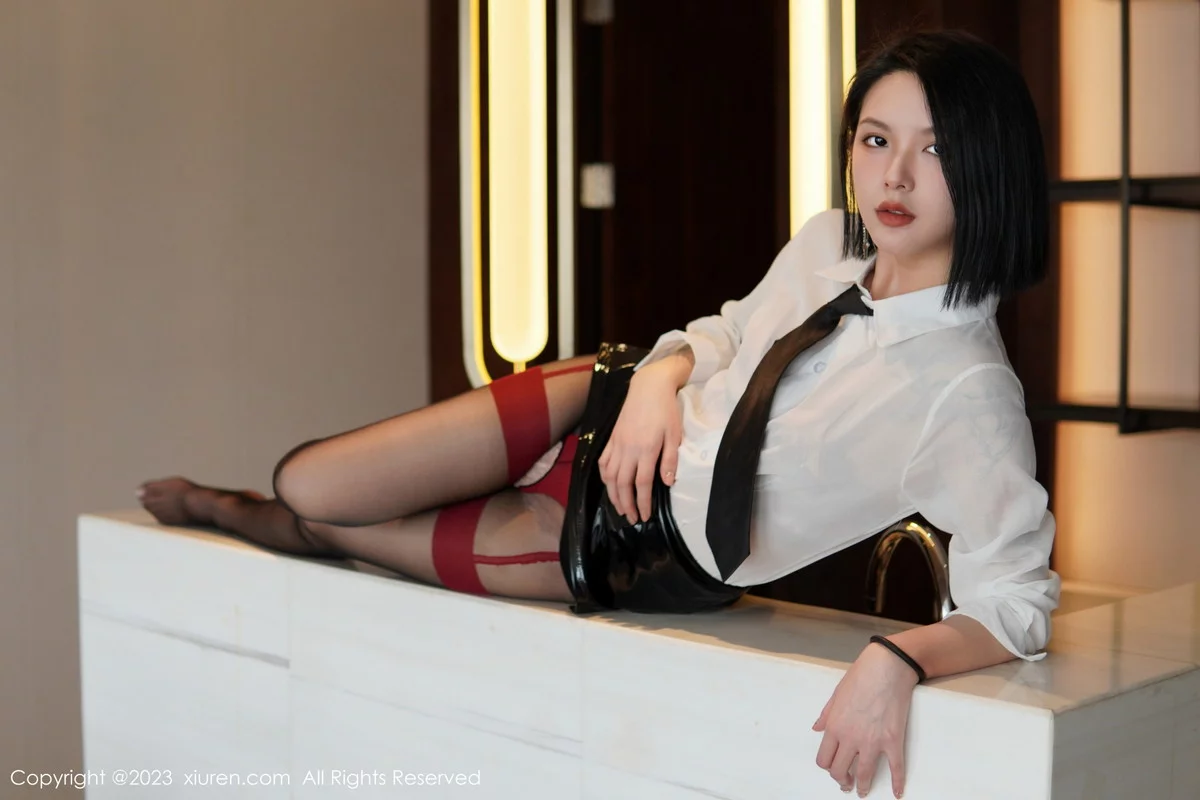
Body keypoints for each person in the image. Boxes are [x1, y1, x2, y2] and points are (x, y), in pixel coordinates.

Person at [138, 29, 1060, 799]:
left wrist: (899, 659)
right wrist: (658, 382)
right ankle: (252, 503)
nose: (894, 175)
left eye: (934, 149)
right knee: (310, 477)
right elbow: (729, 333)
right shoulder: (826, 241)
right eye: (875, 139)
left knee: (330, 520)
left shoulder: (967, 392)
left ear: (990, 165)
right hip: (607, 399)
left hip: (624, 539)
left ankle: (228, 511)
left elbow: (1016, 599)